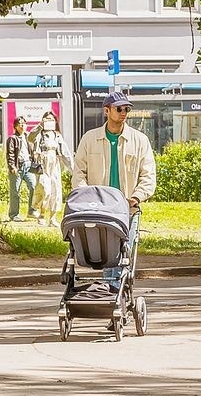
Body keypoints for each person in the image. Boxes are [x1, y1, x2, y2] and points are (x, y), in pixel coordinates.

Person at [72, 92, 157, 286]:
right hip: (98, 209)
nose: (123, 113)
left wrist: (135, 198)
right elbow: (79, 173)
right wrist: (86, 198)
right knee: (105, 253)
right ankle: (113, 294)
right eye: (119, 109)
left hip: (127, 209)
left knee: (123, 254)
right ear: (106, 111)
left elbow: (148, 176)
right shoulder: (89, 139)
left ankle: (113, 293)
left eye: (126, 109)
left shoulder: (140, 140)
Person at [30, 111, 73, 224]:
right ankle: (42, 214)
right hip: (43, 162)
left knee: (56, 189)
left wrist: (73, 169)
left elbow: (65, 153)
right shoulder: (39, 134)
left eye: (52, 119)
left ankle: (53, 217)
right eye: (47, 119)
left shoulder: (57, 135)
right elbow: (30, 137)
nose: (49, 121)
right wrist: (40, 126)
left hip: (55, 162)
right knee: (45, 189)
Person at [5, 116, 35, 222]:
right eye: (20, 124)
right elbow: (10, 154)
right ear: (15, 126)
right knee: (15, 192)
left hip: (28, 166)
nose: (23, 126)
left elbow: (32, 151)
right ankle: (14, 214)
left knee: (34, 187)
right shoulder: (12, 138)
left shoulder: (27, 137)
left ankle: (32, 210)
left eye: (24, 123)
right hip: (18, 167)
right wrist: (12, 167)